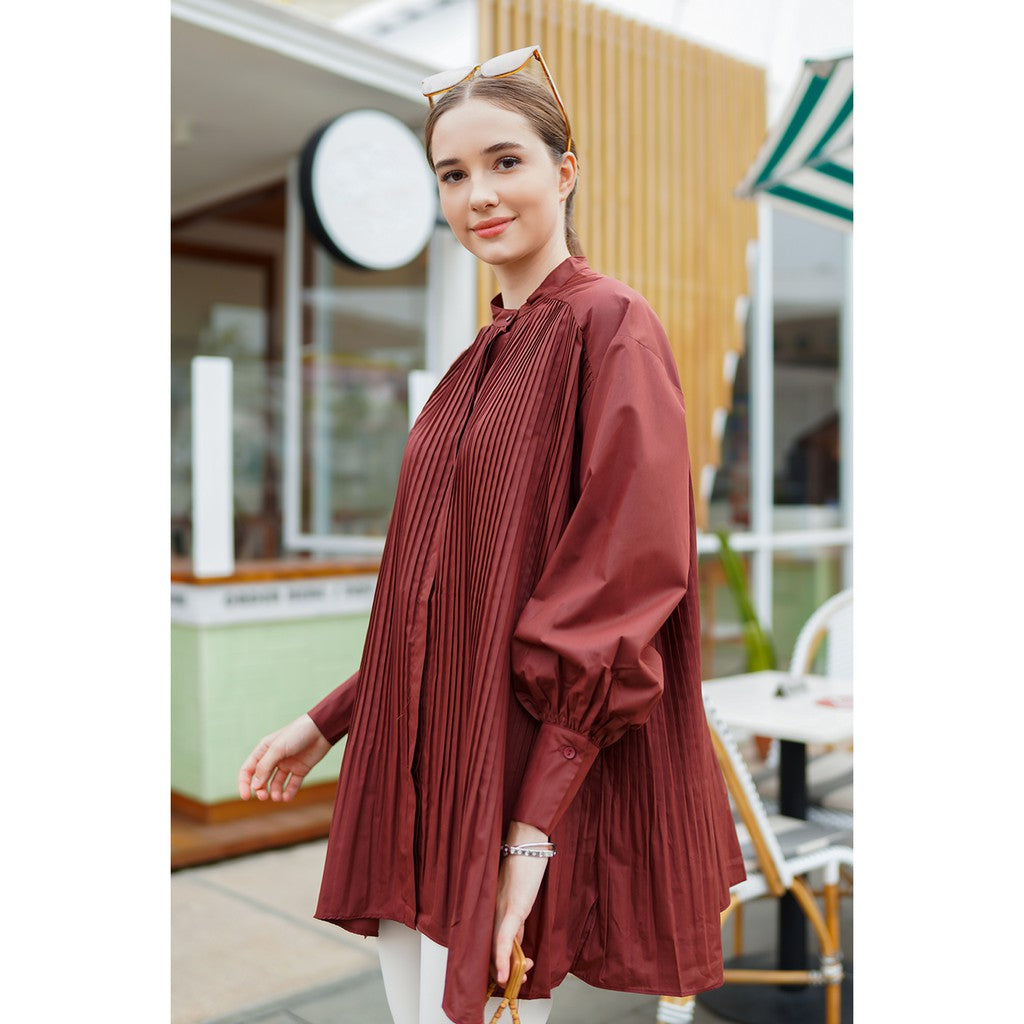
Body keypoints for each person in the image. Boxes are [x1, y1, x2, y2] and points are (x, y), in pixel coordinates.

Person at [238, 45, 745, 1024]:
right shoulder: (475, 360)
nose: (479, 194)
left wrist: (530, 830)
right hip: (418, 775)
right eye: (452, 173)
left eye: (505, 161)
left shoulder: (611, 325)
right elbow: (443, 600)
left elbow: (622, 588)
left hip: (509, 781)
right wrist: (328, 720)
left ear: (565, 170)